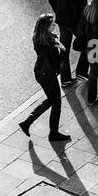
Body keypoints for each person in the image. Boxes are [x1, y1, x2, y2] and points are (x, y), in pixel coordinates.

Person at [18, 14, 71, 143]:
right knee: (56, 104)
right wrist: (63, 49)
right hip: (49, 76)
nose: (55, 25)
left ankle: (28, 122)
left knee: (51, 100)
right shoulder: (51, 43)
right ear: (46, 27)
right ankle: (53, 134)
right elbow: (57, 62)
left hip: (39, 72)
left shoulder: (37, 38)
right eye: (52, 24)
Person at [48, 0, 88, 86]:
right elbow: (82, 13)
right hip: (74, 24)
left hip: (61, 20)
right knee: (91, 44)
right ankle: (82, 71)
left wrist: (58, 13)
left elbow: (51, 0)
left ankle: (65, 79)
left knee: (64, 49)